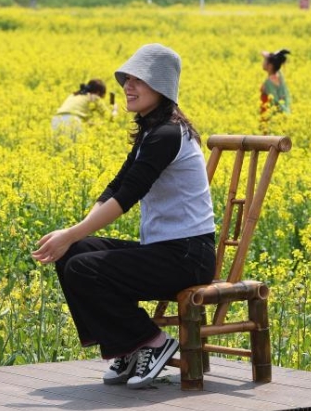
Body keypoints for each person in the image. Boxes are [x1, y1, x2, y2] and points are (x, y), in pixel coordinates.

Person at [32, 44, 215, 390]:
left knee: (81, 265)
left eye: (138, 80)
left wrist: (70, 233)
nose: (128, 86)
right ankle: (129, 346)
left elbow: (127, 197)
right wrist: (73, 235)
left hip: (188, 256)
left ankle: (153, 342)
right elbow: (116, 185)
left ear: (160, 86)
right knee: (75, 253)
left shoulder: (167, 134)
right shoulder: (151, 130)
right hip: (166, 252)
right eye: (127, 79)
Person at [261, 49, 292, 115]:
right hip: (279, 117)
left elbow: (275, 102)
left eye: (265, 60)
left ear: (270, 65)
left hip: (269, 117)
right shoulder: (280, 76)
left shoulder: (268, 83)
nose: (262, 62)